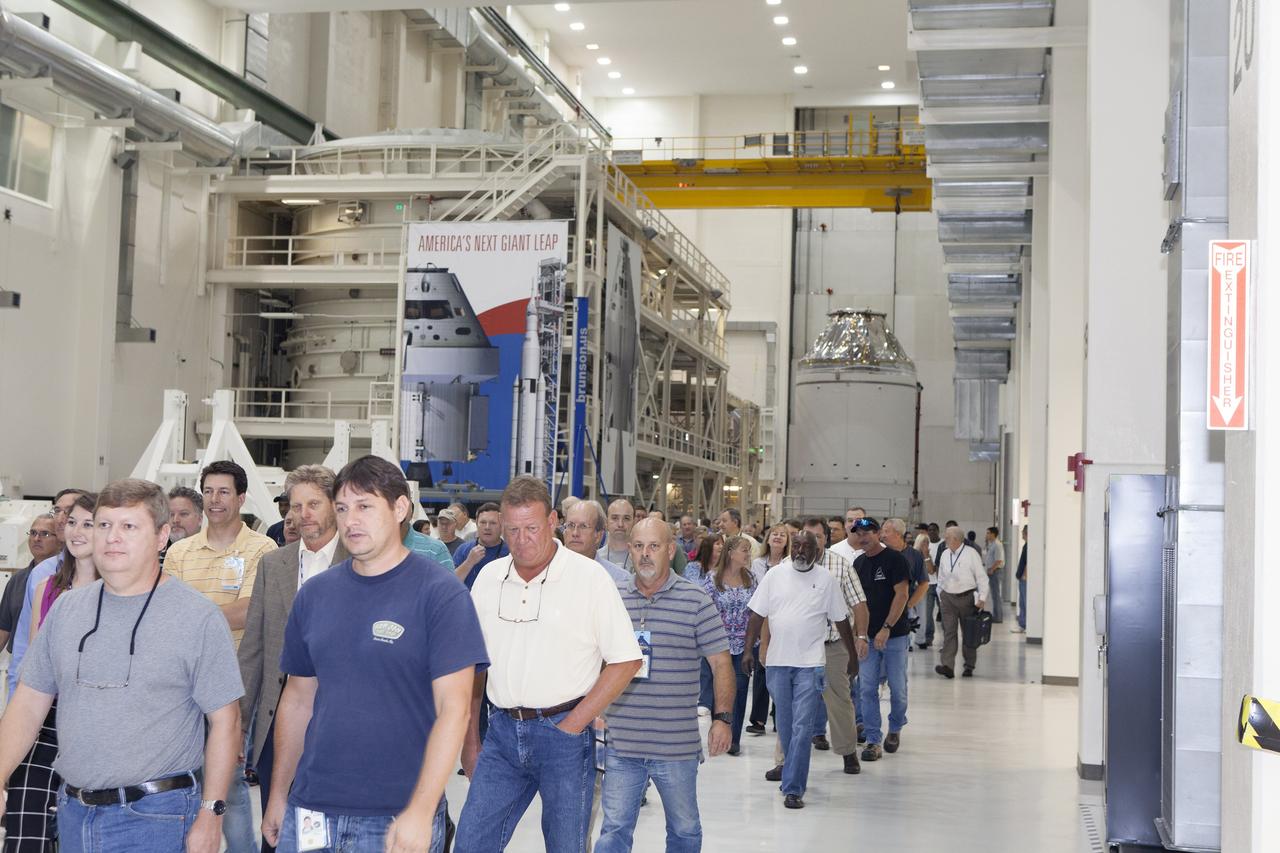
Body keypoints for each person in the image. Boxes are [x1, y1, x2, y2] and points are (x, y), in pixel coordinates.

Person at [0, 478, 243, 852]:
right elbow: (29, 703)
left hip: (156, 817)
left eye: (129, 527)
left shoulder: (198, 617)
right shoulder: (67, 609)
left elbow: (226, 721)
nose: (113, 537)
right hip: (74, 812)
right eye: (104, 525)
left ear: (162, 537)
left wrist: (212, 814)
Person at [261, 457, 486, 853]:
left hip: (396, 814)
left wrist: (421, 809)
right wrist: (279, 794)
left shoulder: (440, 594)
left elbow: (455, 709)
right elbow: (297, 700)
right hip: (312, 808)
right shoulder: (315, 595)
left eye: (365, 506)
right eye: (343, 508)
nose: (351, 521)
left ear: (400, 508)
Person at [455, 477, 642, 853]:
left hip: (564, 738)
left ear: (553, 520)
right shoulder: (489, 579)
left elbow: (625, 660)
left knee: (565, 846)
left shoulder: (589, 578)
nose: (521, 539)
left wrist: (575, 723)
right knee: (472, 842)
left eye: (532, 528)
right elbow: (475, 668)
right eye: (512, 530)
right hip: (502, 735)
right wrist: (470, 740)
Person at [596, 518, 733, 852]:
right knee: (613, 831)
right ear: (629, 550)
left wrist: (723, 718)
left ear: (671, 550)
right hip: (622, 744)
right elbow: (596, 660)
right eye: (639, 546)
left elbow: (721, 663)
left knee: (684, 831)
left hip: (676, 746)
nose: (646, 554)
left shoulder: (696, 599)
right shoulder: (612, 600)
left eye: (654, 546)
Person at [238, 465, 348, 850]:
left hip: (337, 723)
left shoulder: (359, 561)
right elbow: (253, 649)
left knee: (329, 832)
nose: (303, 514)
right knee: (277, 826)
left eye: (314, 503)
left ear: (335, 506)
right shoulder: (274, 564)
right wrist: (238, 725)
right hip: (275, 725)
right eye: (296, 505)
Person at [4, 494, 98, 851]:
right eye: (72, 522)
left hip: (92, 723)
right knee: (26, 833)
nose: (75, 531)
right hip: (43, 720)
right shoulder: (47, 587)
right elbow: (31, 666)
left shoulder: (119, 593)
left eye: (88, 524)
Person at [742, 530, 858, 810]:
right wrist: (748, 650)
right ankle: (790, 776)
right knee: (785, 725)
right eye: (797, 546)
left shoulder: (826, 580)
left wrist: (852, 656)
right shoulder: (775, 575)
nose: (800, 551)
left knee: (802, 727)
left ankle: (794, 788)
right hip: (778, 664)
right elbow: (757, 614)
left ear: (818, 552)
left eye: (807, 547)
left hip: (811, 665)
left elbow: (841, 620)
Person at [164, 460, 278, 645]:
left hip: (239, 668)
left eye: (223, 492)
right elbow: (170, 610)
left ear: (240, 499)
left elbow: (248, 611)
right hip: (188, 665)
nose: (214, 499)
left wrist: (190, 618)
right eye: (208, 491)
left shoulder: (263, 548)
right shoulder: (178, 552)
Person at [7, 490, 87, 699]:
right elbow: (26, 647)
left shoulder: (111, 579)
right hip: (44, 699)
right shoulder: (42, 577)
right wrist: (17, 697)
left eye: (68, 512)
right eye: (57, 510)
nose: (61, 518)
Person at [850, 517, 910, 761]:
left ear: (878, 534)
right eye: (858, 534)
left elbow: (902, 594)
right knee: (866, 688)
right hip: (867, 636)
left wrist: (887, 627)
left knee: (898, 688)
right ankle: (873, 740)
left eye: (867, 532)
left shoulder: (895, 560)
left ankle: (895, 727)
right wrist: (859, 635)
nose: (863, 537)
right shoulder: (858, 564)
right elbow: (856, 602)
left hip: (894, 635)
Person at [699, 534, 756, 755]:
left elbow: (757, 611)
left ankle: (735, 739)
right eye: (744, 550)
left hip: (743, 645)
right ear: (730, 553)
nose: (747, 555)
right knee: (719, 691)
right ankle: (719, 730)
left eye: (749, 550)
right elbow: (704, 610)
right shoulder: (713, 579)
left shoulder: (751, 578)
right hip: (717, 645)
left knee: (740, 691)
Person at [745, 524, 790, 736]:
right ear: (768, 539)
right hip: (761, 620)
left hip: (783, 622)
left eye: (783, 535)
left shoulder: (790, 564)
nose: (778, 537)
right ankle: (758, 719)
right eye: (775, 534)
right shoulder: (757, 564)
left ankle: (779, 717)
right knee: (762, 670)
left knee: (781, 671)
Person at [935, 526, 990, 678]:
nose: (944, 539)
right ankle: (947, 666)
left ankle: (969, 665)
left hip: (967, 598)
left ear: (956, 539)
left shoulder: (971, 554)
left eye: (947, 537)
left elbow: (982, 578)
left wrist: (982, 598)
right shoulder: (945, 554)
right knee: (949, 632)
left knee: (969, 634)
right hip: (948, 599)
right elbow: (941, 577)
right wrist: (940, 596)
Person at [0, 514, 59, 655]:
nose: (36, 539)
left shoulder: (67, 579)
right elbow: (3, 629)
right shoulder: (17, 580)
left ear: (60, 540)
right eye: (33, 533)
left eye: (45, 534)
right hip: (18, 663)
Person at [884, 519, 930, 647]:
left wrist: (909, 605)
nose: (882, 535)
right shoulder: (880, 552)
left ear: (898, 534)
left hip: (903, 610)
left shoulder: (914, 556)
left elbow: (924, 583)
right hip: (880, 610)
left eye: (886, 531)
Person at [562, 499, 631, 583]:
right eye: (570, 525)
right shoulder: (548, 572)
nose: (575, 533)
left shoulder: (619, 579)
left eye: (583, 526)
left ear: (598, 536)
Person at [452, 502, 508, 589]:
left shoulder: (511, 553)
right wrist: (469, 562)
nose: (487, 527)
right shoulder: (463, 549)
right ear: (477, 524)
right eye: (483, 522)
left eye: (493, 523)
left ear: (502, 525)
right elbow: (451, 583)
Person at [917, 524, 941, 649]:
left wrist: (927, 555)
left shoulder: (942, 545)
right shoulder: (925, 545)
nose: (931, 532)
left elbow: (932, 569)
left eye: (933, 530)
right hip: (928, 584)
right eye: (929, 530)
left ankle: (947, 639)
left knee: (944, 614)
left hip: (941, 584)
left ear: (938, 531)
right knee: (928, 613)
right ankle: (928, 637)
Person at [598, 499, 637, 568]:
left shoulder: (640, 558)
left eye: (626, 518)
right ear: (606, 522)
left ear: (634, 522)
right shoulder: (595, 558)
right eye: (615, 518)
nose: (620, 524)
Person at [984, 527, 1006, 624]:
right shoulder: (992, 544)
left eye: (988, 533)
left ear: (993, 534)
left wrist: (991, 569)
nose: (987, 535)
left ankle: (998, 617)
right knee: (994, 595)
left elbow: (999, 560)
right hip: (992, 572)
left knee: (996, 595)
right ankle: (996, 615)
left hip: (995, 572)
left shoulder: (997, 545)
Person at [1014, 525, 1029, 633]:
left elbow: (1028, 562)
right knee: (1022, 603)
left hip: (1025, 579)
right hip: (1022, 578)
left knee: (1025, 602)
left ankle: (1025, 624)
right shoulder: (1026, 546)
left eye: (1023, 532)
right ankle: (1022, 624)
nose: (1022, 534)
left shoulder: (1029, 546)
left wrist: (1024, 575)